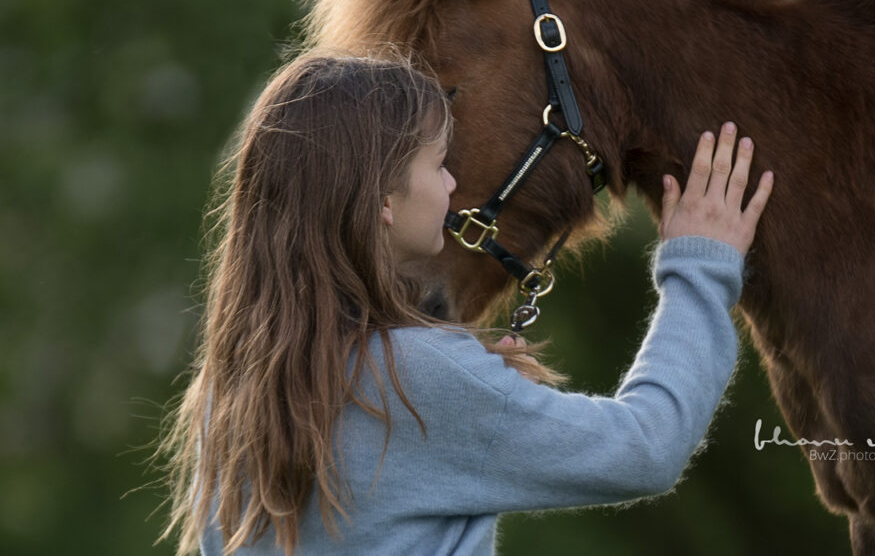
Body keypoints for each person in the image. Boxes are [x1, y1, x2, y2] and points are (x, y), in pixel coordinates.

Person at [157, 51, 774, 555]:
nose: (453, 184)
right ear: (383, 201)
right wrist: (699, 268)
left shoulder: (230, 387)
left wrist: (480, 396)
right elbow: (646, 446)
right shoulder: (419, 375)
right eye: (438, 163)